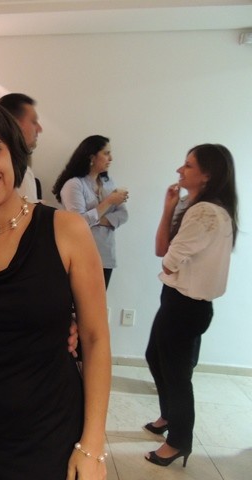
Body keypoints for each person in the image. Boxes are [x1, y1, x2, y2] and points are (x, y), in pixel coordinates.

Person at [0, 95, 111, 480]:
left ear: (13, 150)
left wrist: (92, 444)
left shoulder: (66, 230)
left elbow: (95, 338)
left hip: (54, 423)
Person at [143, 144, 238, 468]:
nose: (179, 170)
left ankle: (179, 441)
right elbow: (161, 249)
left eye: (188, 165)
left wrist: (172, 262)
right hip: (180, 301)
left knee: (177, 374)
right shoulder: (192, 205)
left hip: (185, 305)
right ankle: (169, 417)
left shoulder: (206, 212)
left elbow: (168, 260)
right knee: (155, 356)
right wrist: (168, 207)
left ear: (207, 175)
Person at [52, 135, 128, 288]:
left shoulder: (108, 183)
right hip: (81, 256)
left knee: (99, 301)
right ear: (92, 157)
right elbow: (78, 223)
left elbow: (123, 215)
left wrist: (94, 220)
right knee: (77, 302)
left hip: (106, 257)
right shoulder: (74, 185)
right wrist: (108, 202)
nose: (111, 158)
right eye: (106, 153)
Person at [0, 93, 43, 200]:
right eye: (34, 122)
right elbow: (25, 210)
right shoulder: (21, 174)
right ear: (15, 125)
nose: (40, 129)